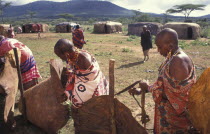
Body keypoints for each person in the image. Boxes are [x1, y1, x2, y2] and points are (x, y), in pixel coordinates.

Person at [129, 28, 196, 134]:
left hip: (174, 124)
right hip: (167, 119)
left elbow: (176, 96)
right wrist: (143, 90)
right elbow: (167, 86)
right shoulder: (172, 57)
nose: (158, 50)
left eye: (160, 47)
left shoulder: (178, 61)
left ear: (170, 46)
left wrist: (148, 87)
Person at [54, 39, 109, 107]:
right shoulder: (76, 53)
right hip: (92, 79)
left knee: (77, 101)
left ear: (66, 54)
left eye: (60, 56)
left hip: (92, 85)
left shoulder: (82, 59)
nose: (60, 58)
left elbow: (82, 77)